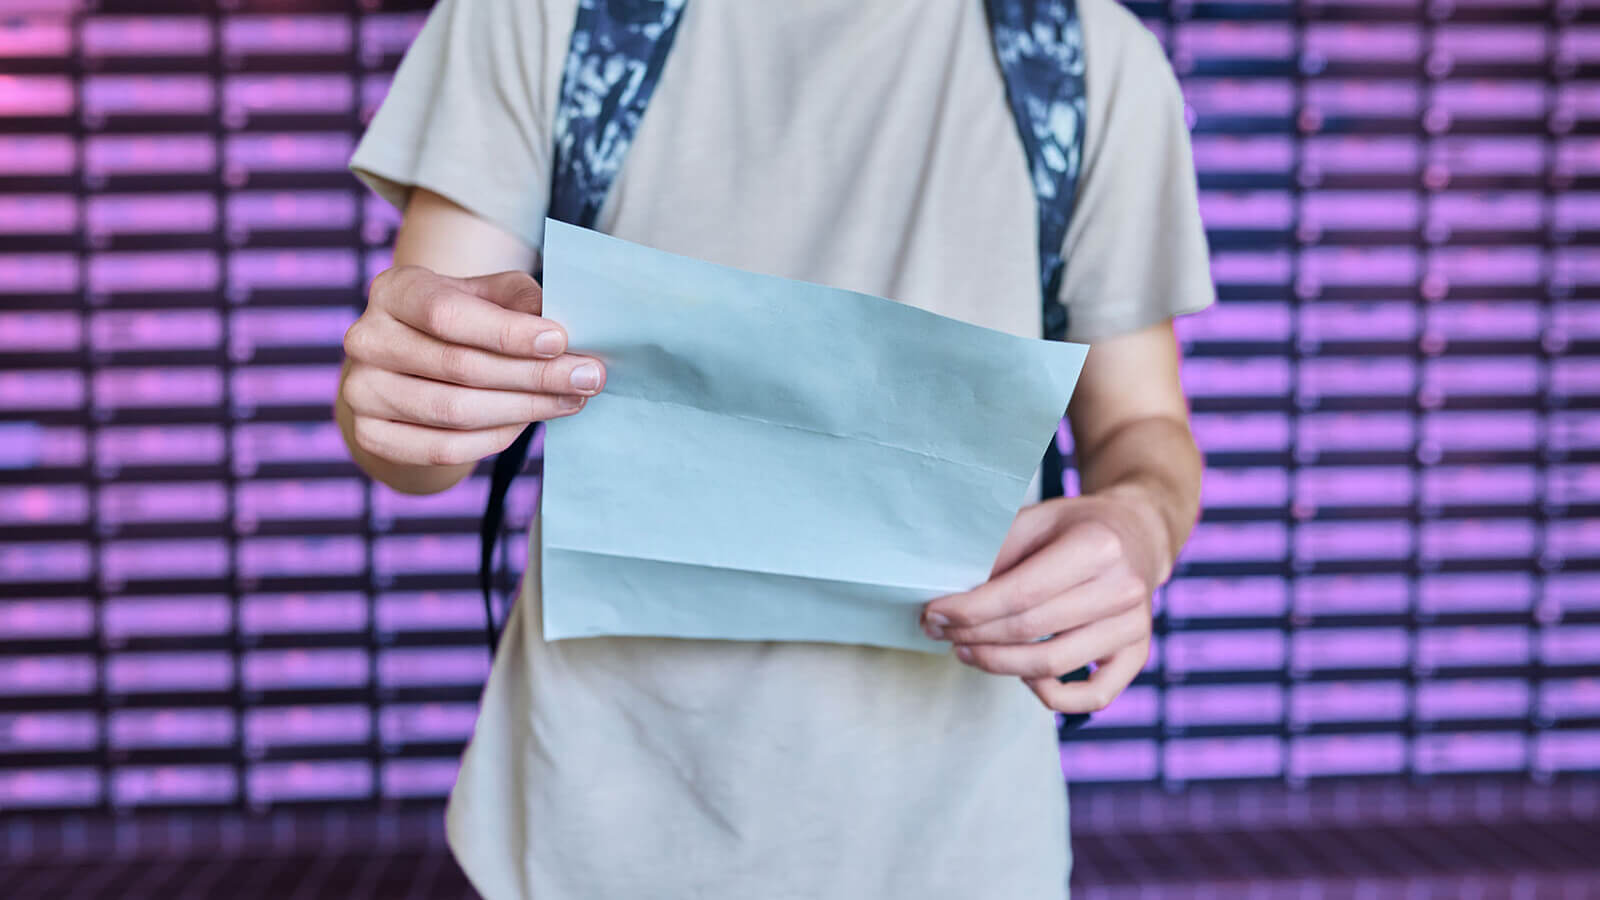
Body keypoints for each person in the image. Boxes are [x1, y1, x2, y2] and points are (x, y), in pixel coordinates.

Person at [338, 0, 1212, 896]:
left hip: (962, 842)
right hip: (582, 830)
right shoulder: (539, 16)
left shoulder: (1087, 59)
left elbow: (1140, 427)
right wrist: (406, 394)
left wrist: (1137, 527)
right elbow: (421, 441)